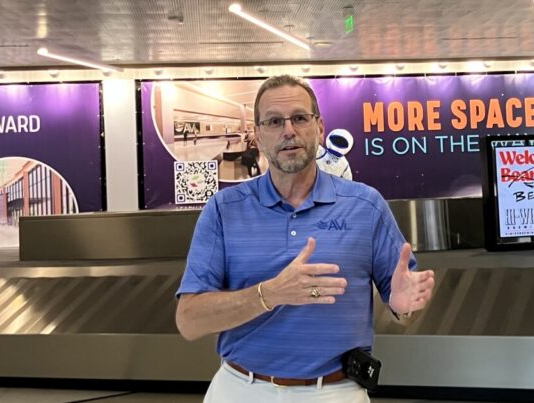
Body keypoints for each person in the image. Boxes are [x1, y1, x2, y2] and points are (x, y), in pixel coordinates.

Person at [175, 75, 435, 403]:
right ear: (257, 134)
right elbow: (189, 321)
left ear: (320, 128)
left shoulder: (366, 206)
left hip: (337, 392)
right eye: (273, 121)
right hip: (241, 390)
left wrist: (402, 305)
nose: (288, 131)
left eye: (300, 118)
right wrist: (270, 294)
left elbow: (404, 308)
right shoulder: (224, 210)